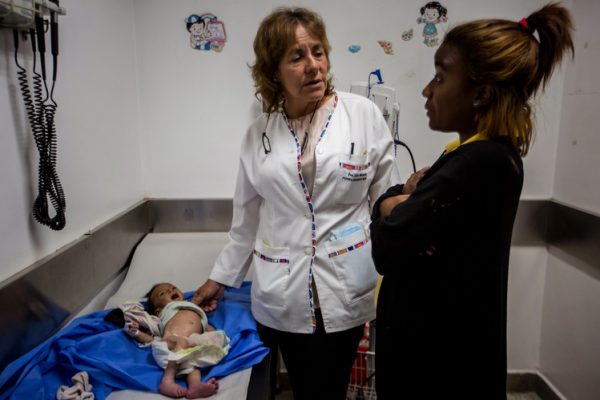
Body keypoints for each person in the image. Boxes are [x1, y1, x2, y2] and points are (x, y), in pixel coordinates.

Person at [370, 3, 574, 399]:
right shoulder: (473, 156)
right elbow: (404, 226)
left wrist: (387, 205)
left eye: (440, 77)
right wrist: (402, 205)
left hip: (441, 369)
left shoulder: (481, 163)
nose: (427, 90)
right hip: (436, 357)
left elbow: (388, 245)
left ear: (480, 93)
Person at [192, 6, 395, 400]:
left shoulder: (363, 115)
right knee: (299, 386)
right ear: (273, 72)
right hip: (280, 290)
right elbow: (245, 222)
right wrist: (219, 278)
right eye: (297, 57)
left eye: (318, 52)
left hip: (344, 283)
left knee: (328, 389)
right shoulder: (258, 134)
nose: (314, 66)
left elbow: (385, 202)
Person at [128, 283, 230, 399]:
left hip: (191, 343)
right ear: (158, 311)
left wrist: (213, 335)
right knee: (182, 342)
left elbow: (205, 326)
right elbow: (153, 338)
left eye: (173, 288)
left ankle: (195, 386)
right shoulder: (164, 312)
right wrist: (137, 333)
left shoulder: (194, 307)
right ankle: (167, 381)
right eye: (163, 293)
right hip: (171, 341)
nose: (170, 291)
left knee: (193, 361)